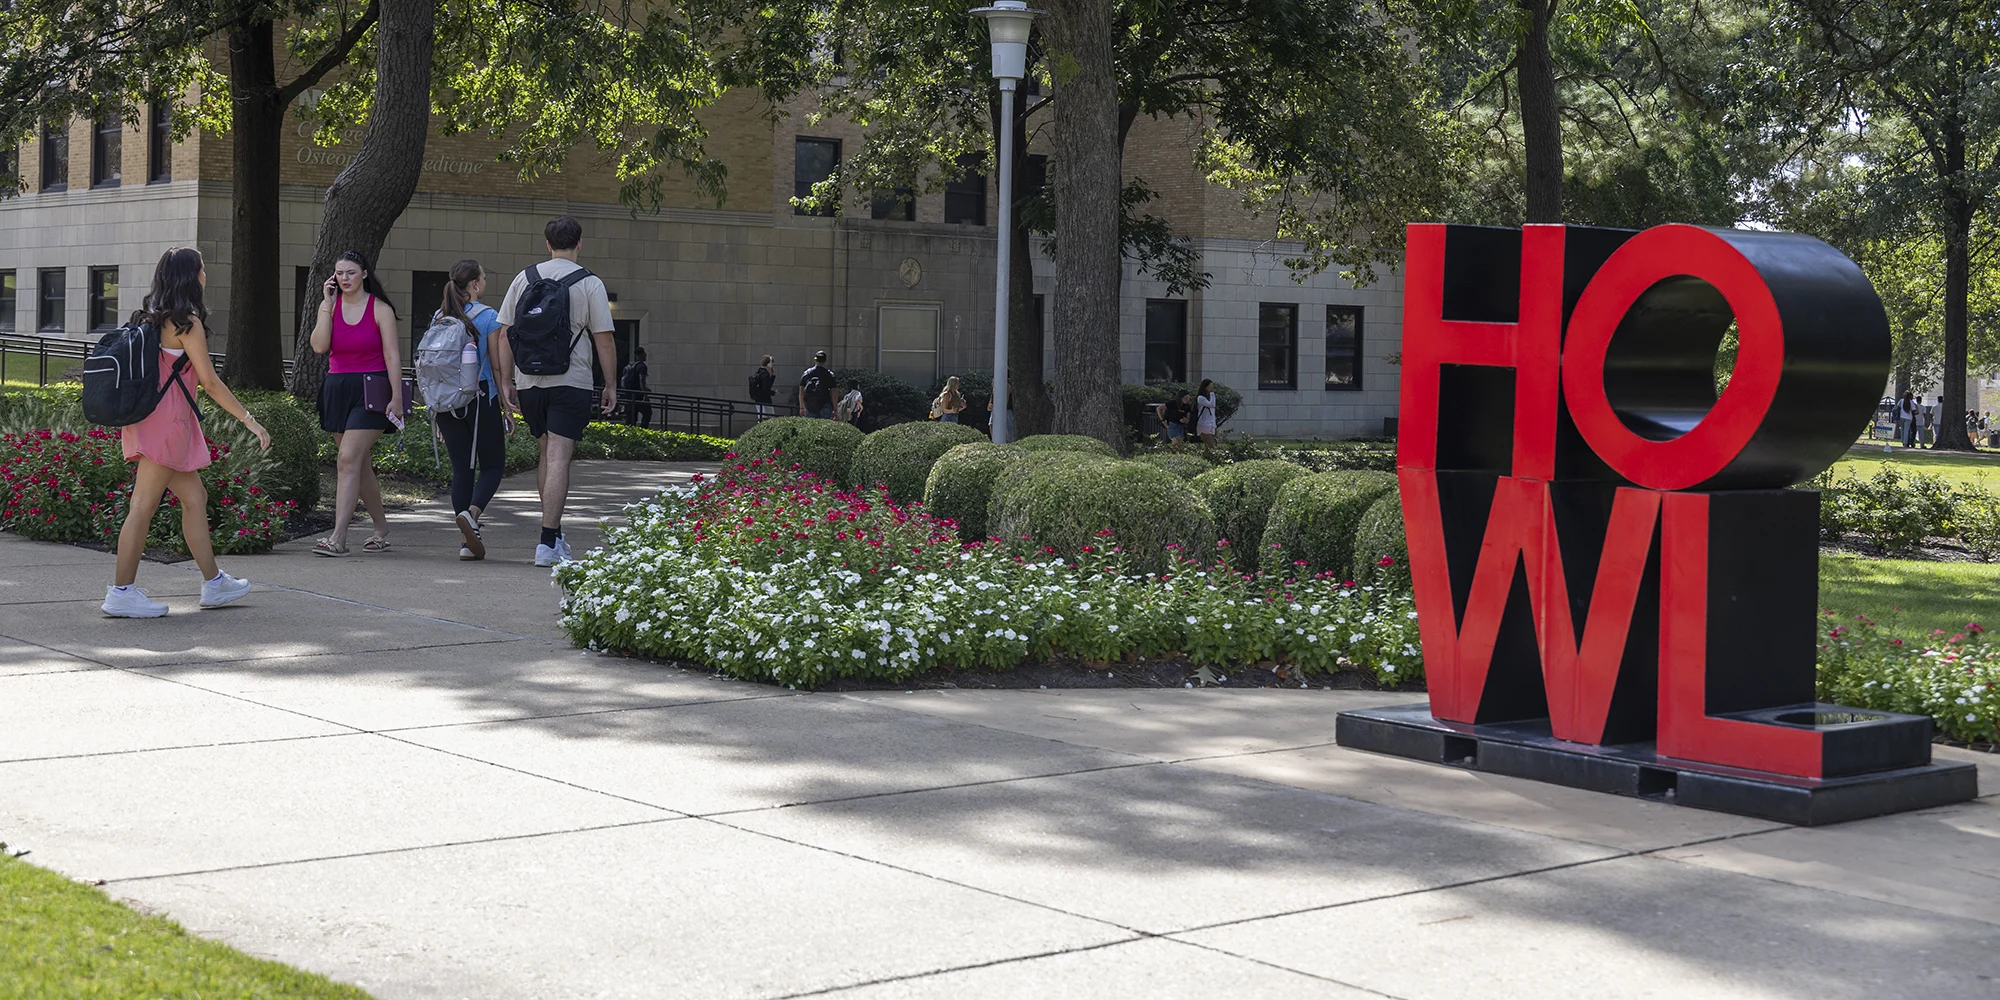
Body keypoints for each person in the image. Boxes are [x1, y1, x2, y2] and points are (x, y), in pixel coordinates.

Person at [102, 248, 272, 617]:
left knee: (195, 497)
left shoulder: (150, 318)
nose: (206, 274)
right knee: (142, 507)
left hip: (149, 420)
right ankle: (121, 592)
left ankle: (214, 584)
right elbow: (209, 382)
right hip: (168, 425)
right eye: (203, 269)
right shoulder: (186, 323)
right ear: (191, 276)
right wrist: (249, 419)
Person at [492, 215, 618, 567]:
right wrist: (610, 384)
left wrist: (507, 380)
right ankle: (547, 543)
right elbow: (603, 339)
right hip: (571, 380)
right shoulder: (590, 283)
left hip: (530, 381)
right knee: (560, 457)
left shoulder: (524, 278)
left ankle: (555, 535)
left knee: (546, 454)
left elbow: (504, 334)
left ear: (547, 244)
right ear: (580, 243)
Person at [309, 249, 403, 557]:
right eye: (339, 273)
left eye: (350, 272)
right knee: (358, 464)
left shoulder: (380, 309)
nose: (344, 278)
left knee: (347, 460)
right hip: (338, 389)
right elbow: (320, 346)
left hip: (372, 390)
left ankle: (338, 537)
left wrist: (397, 397)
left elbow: (392, 355)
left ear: (364, 273)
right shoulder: (330, 307)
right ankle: (381, 529)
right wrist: (326, 304)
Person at [430, 259, 508, 562]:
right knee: (492, 465)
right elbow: (498, 365)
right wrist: (507, 406)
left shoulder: (440, 316)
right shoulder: (488, 316)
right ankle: (472, 515)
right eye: (484, 278)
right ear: (474, 284)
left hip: (447, 402)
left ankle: (466, 542)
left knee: (461, 469)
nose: (485, 283)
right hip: (479, 398)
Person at [619, 347, 651, 428]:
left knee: (631, 416)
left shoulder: (629, 365)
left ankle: (630, 432)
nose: (646, 355)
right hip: (638, 395)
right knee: (647, 412)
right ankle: (642, 430)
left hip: (629, 395)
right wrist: (645, 394)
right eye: (644, 353)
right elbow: (642, 381)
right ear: (641, 355)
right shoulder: (642, 366)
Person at [798, 350, 836, 418]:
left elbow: (801, 392)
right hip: (825, 405)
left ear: (815, 360)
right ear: (825, 361)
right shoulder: (829, 374)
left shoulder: (807, 373)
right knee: (825, 427)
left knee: (811, 427)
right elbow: (834, 393)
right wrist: (835, 409)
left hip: (810, 406)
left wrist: (802, 407)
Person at [1193, 378, 1219, 450]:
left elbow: (1212, 414)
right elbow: (1212, 404)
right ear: (1205, 388)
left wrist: (1215, 426)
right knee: (1211, 447)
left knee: (1211, 446)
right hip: (1204, 424)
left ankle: (1206, 459)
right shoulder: (1201, 398)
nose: (1212, 389)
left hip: (1211, 424)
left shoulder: (1210, 398)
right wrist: (1212, 394)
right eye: (1210, 387)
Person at [750, 355, 777, 419]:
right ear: (769, 364)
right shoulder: (765, 374)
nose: (772, 365)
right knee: (770, 418)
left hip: (758, 400)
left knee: (761, 417)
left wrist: (772, 376)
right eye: (772, 363)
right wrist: (774, 393)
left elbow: (767, 385)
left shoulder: (758, 373)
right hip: (765, 400)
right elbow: (766, 389)